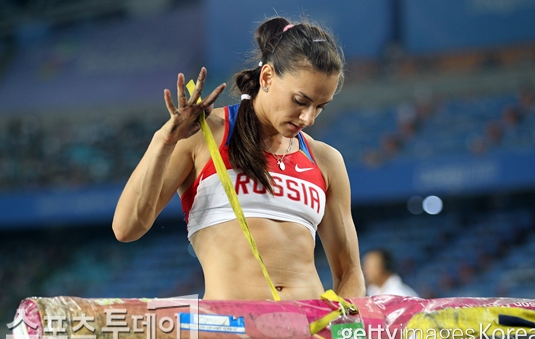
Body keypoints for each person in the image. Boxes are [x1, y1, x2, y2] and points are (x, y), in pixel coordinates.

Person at [112, 16, 365, 301]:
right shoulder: (203, 136)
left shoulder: (326, 161)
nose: (308, 118)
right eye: (300, 101)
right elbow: (126, 228)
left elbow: (350, 274)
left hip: (310, 331)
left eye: (320, 107)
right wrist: (165, 140)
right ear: (267, 76)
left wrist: (343, 334)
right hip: (232, 334)